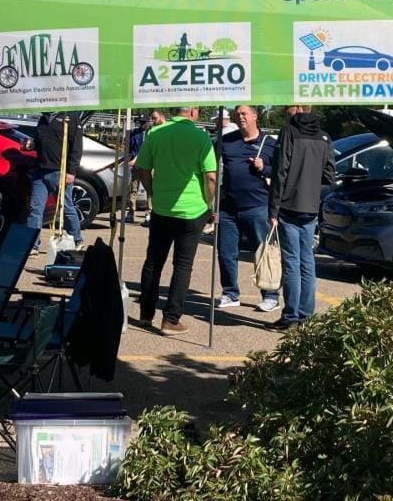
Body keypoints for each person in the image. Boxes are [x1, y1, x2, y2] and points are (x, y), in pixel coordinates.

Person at [134, 105, 217, 335]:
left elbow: (142, 169)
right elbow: (210, 177)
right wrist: (209, 203)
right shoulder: (201, 137)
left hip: (162, 207)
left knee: (153, 262)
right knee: (182, 265)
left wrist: (152, 194)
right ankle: (170, 319)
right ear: (193, 112)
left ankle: (145, 314)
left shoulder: (155, 133)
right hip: (192, 210)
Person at [268, 104, 335, 328]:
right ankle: (306, 315)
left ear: (297, 108)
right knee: (307, 261)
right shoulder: (324, 137)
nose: (284, 111)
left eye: (287, 107)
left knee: (292, 262)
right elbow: (329, 174)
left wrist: (273, 208)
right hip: (311, 206)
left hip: (289, 205)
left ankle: (291, 316)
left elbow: (280, 171)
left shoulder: (290, 132)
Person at [216, 104, 280, 313]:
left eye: (244, 114)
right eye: (238, 114)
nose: (240, 117)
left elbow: (280, 173)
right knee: (226, 252)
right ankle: (230, 293)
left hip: (257, 206)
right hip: (229, 208)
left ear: (254, 116)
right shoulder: (227, 141)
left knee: (262, 253)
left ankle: (270, 296)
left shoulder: (269, 144)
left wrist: (264, 168)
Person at [27, 111, 85, 250]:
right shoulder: (43, 118)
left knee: (66, 207)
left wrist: (71, 171)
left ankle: (77, 240)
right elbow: (40, 140)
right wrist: (31, 144)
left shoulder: (70, 118)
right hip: (40, 171)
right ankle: (32, 245)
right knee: (35, 209)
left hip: (60, 171)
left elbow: (77, 148)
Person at [124, 110, 165, 224]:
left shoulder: (153, 133)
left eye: (144, 122)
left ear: (149, 122)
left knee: (150, 189)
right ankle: (131, 212)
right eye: (140, 122)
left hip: (149, 165)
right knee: (133, 188)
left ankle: (149, 213)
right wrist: (130, 158)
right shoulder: (135, 133)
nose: (142, 124)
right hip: (135, 165)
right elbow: (130, 148)